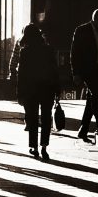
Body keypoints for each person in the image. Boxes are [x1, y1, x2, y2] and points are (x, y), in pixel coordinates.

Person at [16, 23, 59, 161]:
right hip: (47, 88)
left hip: (31, 89)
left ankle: (33, 146)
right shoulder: (49, 50)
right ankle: (44, 146)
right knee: (46, 118)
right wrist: (57, 89)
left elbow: (21, 74)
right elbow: (54, 71)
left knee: (32, 118)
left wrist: (20, 93)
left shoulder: (25, 52)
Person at [70, 8, 98, 142]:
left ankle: (83, 129)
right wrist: (76, 72)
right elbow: (74, 53)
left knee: (91, 99)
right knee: (95, 96)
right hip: (87, 70)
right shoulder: (82, 30)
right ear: (97, 19)